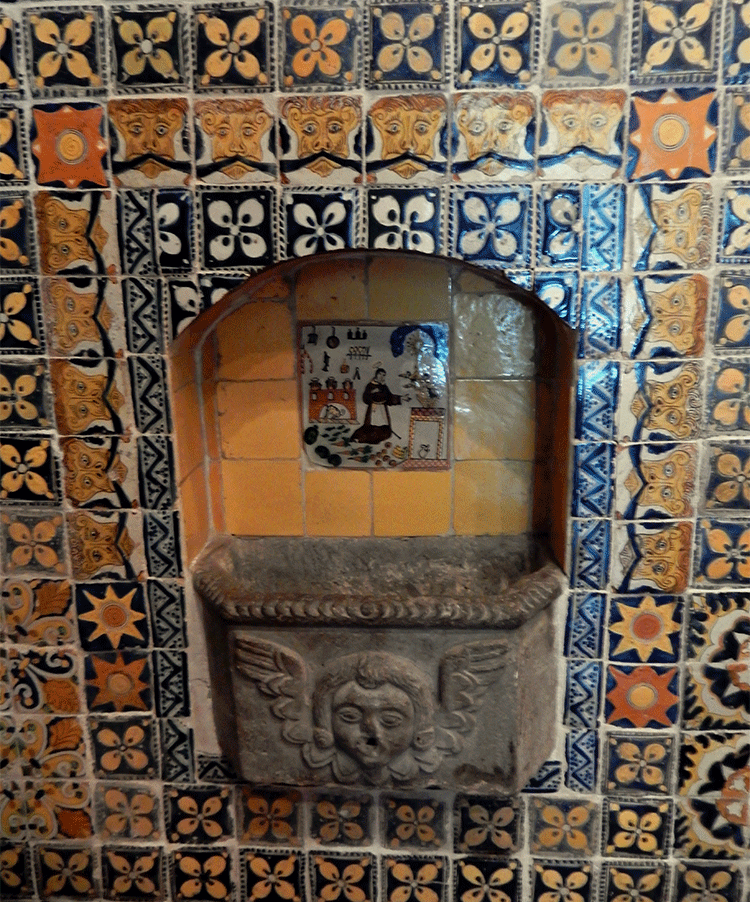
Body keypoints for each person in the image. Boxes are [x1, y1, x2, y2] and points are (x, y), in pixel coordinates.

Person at [351, 368, 401, 444]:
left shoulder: (384, 386)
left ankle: (376, 440)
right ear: (376, 374)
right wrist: (372, 392)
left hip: (382, 409)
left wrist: (401, 398)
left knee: (384, 429)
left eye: (383, 375)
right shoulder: (370, 385)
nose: (381, 377)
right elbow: (365, 398)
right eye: (380, 374)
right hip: (373, 408)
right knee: (369, 427)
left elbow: (389, 397)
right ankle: (360, 439)